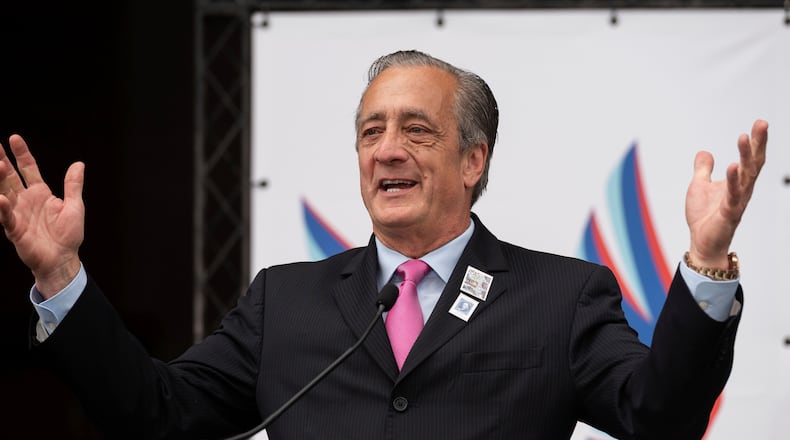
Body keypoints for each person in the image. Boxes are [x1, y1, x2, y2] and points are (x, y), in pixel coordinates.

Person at [0, 50, 768, 439]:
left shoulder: (563, 298)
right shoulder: (286, 301)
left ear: (474, 161)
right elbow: (156, 417)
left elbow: (660, 418)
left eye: (416, 130)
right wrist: (65, 279)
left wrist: (704, 267)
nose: (387, 150)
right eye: (371, 132)